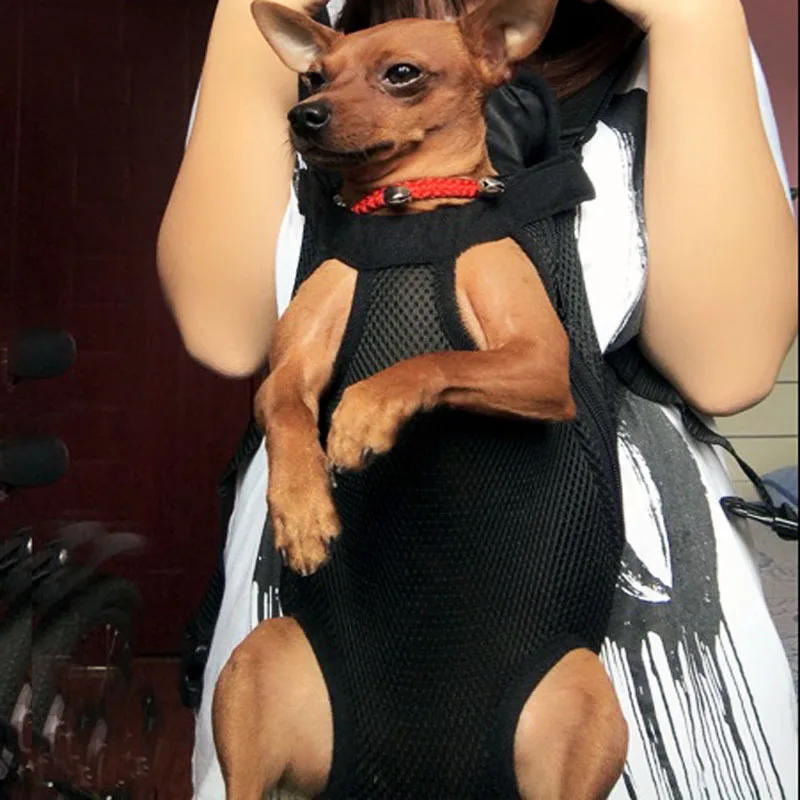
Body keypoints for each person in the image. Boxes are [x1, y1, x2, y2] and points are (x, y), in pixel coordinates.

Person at [157, 0, 798, 796]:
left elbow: (728, 368)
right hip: (334, 608)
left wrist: (695, 19)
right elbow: (224, 335)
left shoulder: (665, 40)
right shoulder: (318, 52)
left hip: (600, 617)